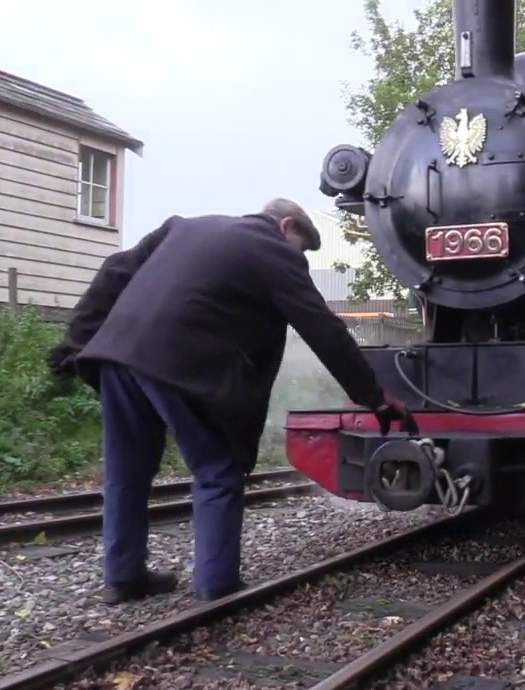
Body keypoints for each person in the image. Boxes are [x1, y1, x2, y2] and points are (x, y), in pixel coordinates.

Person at [46, 198, 414, 604]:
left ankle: (123, 577)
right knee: (218, 470)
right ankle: (216, 585)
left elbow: (114, 271)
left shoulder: (182, 225)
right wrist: (374, 398)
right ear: (286, 225)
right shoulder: (272, 249)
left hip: (116, 356)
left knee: (126, 473)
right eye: (302, 247)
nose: (300, 259)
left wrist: (74, 344)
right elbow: (322, 328)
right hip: (178, 364)